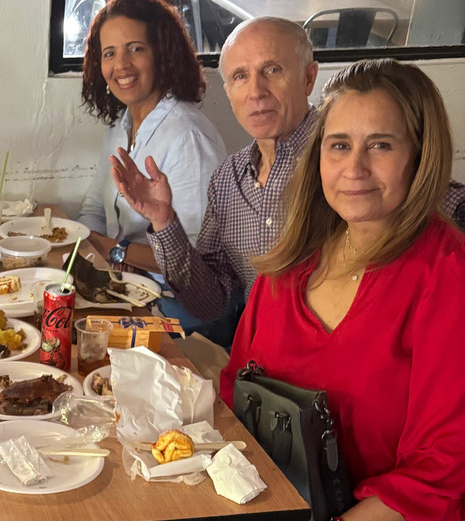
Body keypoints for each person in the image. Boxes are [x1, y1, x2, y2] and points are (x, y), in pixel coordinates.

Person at [107, 59, 465, 521]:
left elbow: (443, 470)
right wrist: (208, 488)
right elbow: (240, 392)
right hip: (305, 490)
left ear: (422, 155)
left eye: (381, 145)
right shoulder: (295, 260)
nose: (354, 167)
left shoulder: (448, 275)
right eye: (339, 145)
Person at [111, 16, 465, 343]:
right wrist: (164, 221)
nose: (256, 91)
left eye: (272, 70)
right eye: (240, 77)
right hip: (264, 365)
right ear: (229, 91)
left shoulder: (342, 162)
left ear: (309, 78)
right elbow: (211, 304)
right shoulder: (227, 179)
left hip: (349, 359)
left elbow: (439, 196)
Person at [77, 0, 226, 332]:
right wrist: (90, 250)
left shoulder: (188, 136)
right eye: (110, 53)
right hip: (127, 285)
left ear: (162, 53)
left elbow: (195, 257)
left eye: (135, 49)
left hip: (179, 306)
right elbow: (94, 209)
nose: (121, 65)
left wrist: (116, 252)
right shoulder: (120, 126)